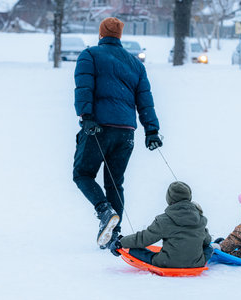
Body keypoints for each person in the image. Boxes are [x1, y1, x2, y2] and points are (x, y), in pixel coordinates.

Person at [73, 17, 162, 248]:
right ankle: (114, 235)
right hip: (125, 132)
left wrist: (87, 117)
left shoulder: (90, 55)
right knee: (115, 183)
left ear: (101, 34)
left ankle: (104, 211)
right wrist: (152, 130)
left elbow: (84, 87)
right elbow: (145, 101)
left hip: (98, 127)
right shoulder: (135, 64)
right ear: (119, 36)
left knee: (82, 174)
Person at [109, 181, 213, 268]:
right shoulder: (200, 218)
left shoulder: (165, 220)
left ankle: (129, 249)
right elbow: (207, 241)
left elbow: (144, 238)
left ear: (169, 199)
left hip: (168, 263)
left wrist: (121, 242)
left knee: (136, 250)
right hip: (196, 263)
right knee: (209, 248)